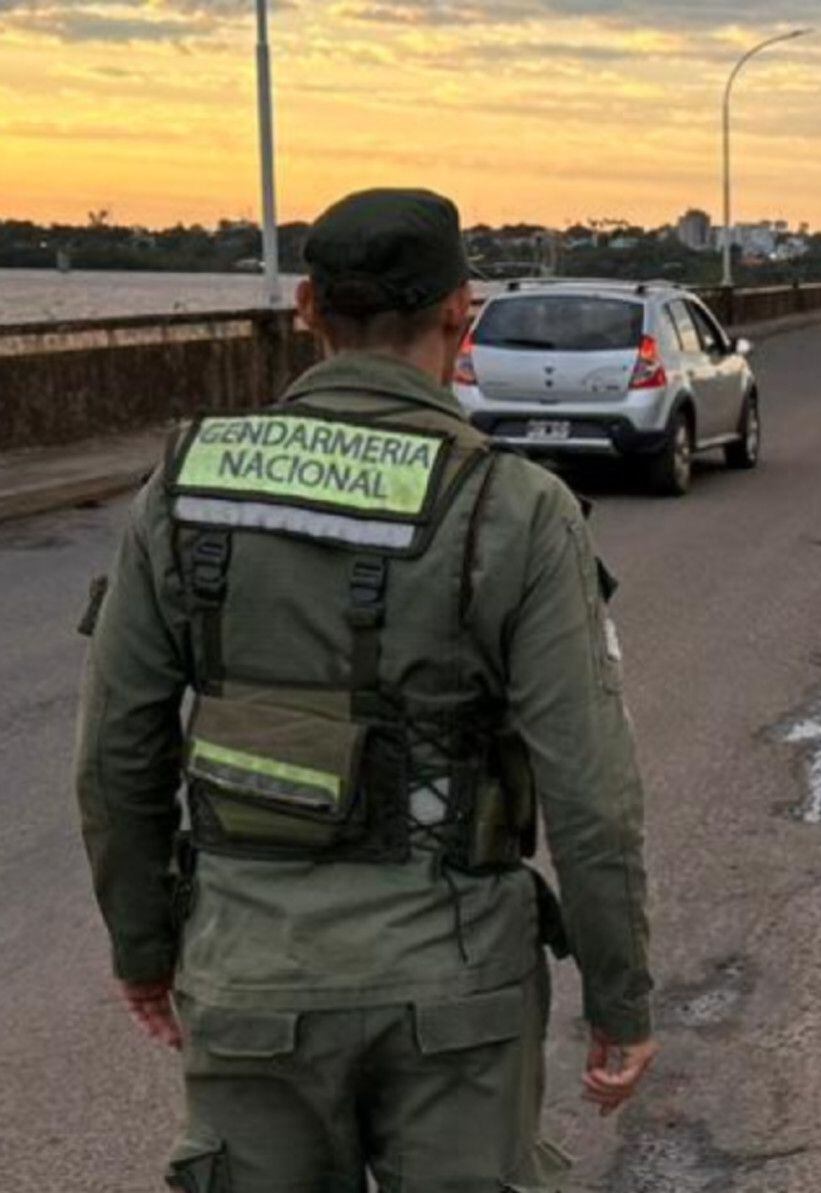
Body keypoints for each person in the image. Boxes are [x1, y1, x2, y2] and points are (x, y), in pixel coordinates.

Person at [74, 187, 657, 1191]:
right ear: (458, 315)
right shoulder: (515, 507)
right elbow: (590, 787)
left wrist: (144, 945)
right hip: (457, 988)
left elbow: (118, 750)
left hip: (249, 967)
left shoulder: (186, 485)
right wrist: (620, 998)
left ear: (307, 306)